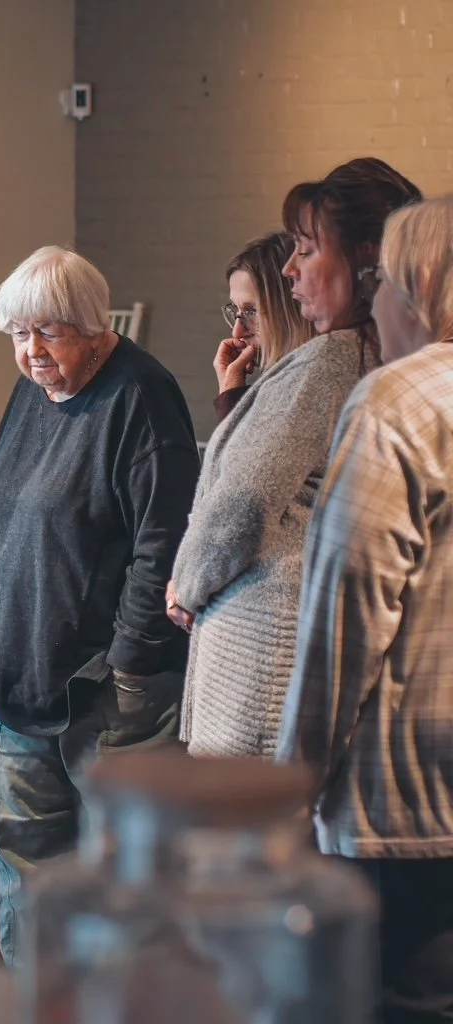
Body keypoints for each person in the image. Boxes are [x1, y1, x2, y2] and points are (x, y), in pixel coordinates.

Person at [0, 246, 198, 968]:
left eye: (49, 333)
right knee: (26, 875)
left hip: (104, 693)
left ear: (96, 329)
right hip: (21, 680)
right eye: (17, 335)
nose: (31, 353)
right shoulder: (36, 391)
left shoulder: (140, 396)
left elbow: (162, 543)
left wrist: (131, 667)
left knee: (120, 887)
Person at [169, 158, 422, 760]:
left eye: (307, 250)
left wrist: (187, 586)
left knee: (242, 841)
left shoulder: (330, 362)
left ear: (364, 260)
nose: (290, 269)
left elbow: (244, 502)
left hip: (264, 655)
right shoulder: (373, 356)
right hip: (294, 646)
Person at [278, 194, 453, 1024]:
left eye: (381, 275)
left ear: (416, 283)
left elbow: (345, 616)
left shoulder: (398, 402)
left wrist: (289, 786)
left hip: (407, 806)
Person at [211, 232, 315, 421]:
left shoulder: (312, 393)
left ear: (292, 308)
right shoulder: (280, 388)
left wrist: (230, 396)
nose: (237, 332)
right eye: (236, 310)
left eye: (251, 311)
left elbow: (239, 451)